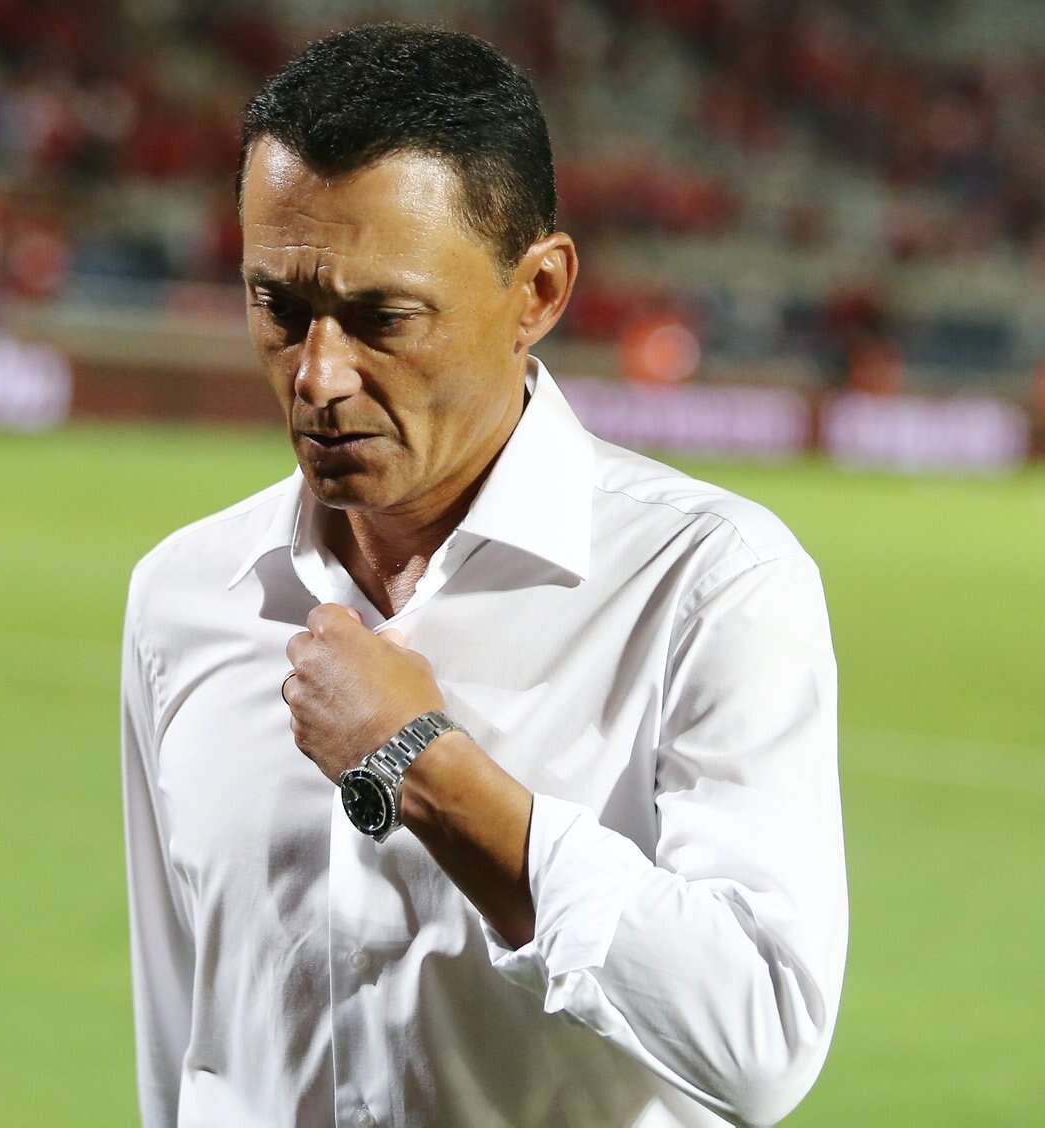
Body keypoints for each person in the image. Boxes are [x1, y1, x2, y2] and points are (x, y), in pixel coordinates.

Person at [120, 23, 848, 1128]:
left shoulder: (708, 585)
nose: (318, 376)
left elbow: (761, 1041)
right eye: (280, 308)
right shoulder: (185, 594)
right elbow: (188, 1047)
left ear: (539, 291)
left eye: (382, 318)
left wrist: (424, 766)